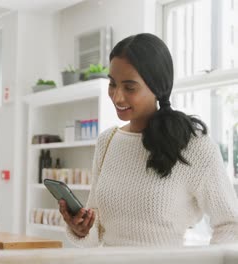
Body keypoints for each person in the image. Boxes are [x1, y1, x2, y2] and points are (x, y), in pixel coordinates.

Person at [59, 33, 238, 247]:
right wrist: (81, 229)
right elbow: (98, 228)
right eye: (112, 84)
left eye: (130, 87)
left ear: (157, 87)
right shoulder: (108, 141)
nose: (117, 97)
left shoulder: (194, 146)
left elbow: (230, 225)